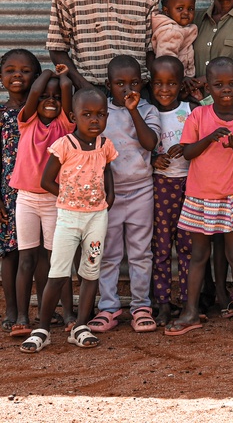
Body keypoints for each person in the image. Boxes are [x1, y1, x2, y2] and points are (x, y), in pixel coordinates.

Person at [165, 57, 233, 339]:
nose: (226, 90)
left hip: (232, 197)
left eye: (232, 84)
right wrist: (209, 138)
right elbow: (187, 152)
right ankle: (191, 311)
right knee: (198, 256)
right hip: (198, 197)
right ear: (208, 86)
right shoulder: (198, 116)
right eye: (218, 85)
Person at [20, 87, 118, 352]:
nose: (94, 120)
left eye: (100, 114)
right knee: (59, 273)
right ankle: (42, 329)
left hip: (97, 218)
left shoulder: (105, 145)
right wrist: (70, 198)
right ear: (73, 116)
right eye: (87, 114)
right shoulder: (64, 145)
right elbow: (46, 181)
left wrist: (110, 195)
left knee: (90, 271)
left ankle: (81, 326)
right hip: (68, 218)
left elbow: (106, 169)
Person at [88, 56, 160, 335]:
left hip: (142, 190)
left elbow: (150, 143)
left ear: (142, 84)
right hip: (109, 194)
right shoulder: (99, 111)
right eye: (120, 83)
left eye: (134, 83)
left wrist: (133, 111)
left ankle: (141, 306)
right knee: (109, 253)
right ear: (108, 85)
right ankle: (108, 307)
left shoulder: (147, 110)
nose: (127, 88)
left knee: (141, 252)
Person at [10, 65, 75, 336]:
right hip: (25, 199)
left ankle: (70, 314)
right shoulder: (27, 120)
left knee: (57, 259)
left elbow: (67, 89)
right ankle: (23, 318)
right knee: (26, 258)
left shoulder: (64, 124)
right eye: (44, 98)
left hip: (53, 201)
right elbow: (35, 91)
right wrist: (47, 73)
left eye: (55, 98)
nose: (50, 101)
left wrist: (62, 78)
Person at [148, 56, 195, 327]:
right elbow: (137, 144)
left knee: (188, 246)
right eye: (158, 83)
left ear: (181, 84)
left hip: (190, 185)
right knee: (161, 247)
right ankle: (163, 304)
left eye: (171, 83)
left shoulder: (192, 110)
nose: (164, 89)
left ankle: (190, 302)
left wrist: (188, 148)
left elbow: (204, 142)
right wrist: (154, 157)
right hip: (160, 185)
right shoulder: (147, 111)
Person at [0, 49, 40, 333]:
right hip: (7, 193)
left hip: (38, 189)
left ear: (36, 77)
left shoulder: (44, 111)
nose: (17, 75)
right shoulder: (1, 114)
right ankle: (12, 309)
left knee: (38, 251)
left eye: (25, 71)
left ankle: (43, 307)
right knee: (10, 252)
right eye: (10, 70)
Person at [151, 0, 198, 77]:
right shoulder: (171, 32)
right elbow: (167, 62)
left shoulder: (182, 28)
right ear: (166, 11)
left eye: (190, 9)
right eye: (180, 8)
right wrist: (182, 77)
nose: (186, 12)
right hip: (173, 79)